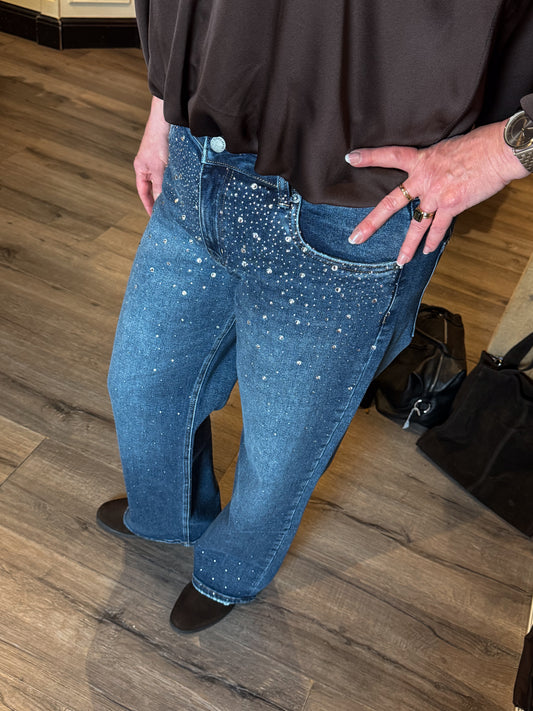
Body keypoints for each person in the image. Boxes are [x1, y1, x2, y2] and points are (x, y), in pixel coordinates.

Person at [97, 0, 533, 633]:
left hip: (355, 203)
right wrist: (163, 105)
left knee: (283, 447)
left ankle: (230, 572)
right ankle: (169, 516)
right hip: (201, 154)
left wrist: (507, 148)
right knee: (143, 383)